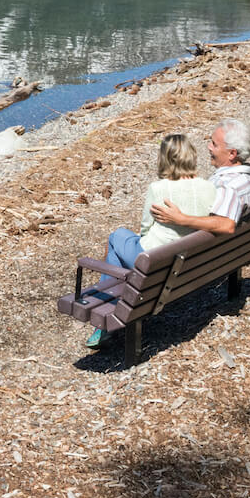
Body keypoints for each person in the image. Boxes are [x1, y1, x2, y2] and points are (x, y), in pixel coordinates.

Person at [83, 134, 213, 349]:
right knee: (120, 248)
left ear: (165, 159)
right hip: (188, 260)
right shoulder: (209, 187)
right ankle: (112, 308)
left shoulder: (159, 188)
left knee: (117, 236)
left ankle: (105, 316)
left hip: (155, 259)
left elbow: (145, 228)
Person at [151, 117, 250, 237]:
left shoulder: (228, 186)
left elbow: (227, 225)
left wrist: (181, 219)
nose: (209, 146)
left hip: (197, 252)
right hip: (234, 249)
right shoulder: (247, 180)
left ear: (232, 153)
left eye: (214, 144)